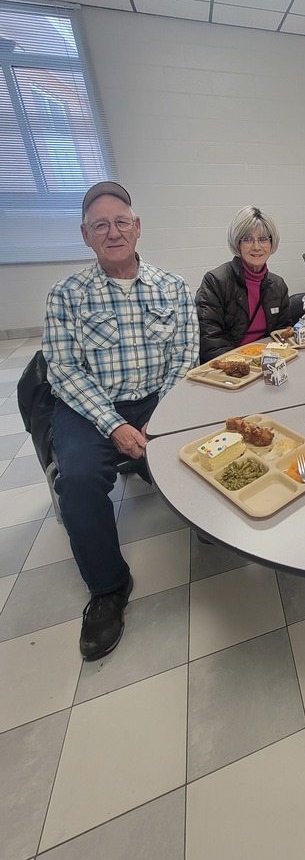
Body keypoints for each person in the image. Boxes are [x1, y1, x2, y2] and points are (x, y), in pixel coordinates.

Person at [42, 181, 199, 661]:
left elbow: (186, 356)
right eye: (100, 226)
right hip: (90, 408)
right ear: (86, 236)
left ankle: (211, 524)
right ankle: (109, 588)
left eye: (121, 222)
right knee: (81, 479)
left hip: (157, 399)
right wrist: (114, 425)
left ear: (137, 227)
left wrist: (158, 419)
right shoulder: (65, 296)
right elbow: (64, 370)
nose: (113, 232)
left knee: (207, 446)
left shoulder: (172, 286)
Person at [196, 207, 291, 362]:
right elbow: (210, 343)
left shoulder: (278, 285)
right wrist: (245, 365)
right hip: (233, 368)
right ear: (237, 243)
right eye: (247, 239)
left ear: (271, 243)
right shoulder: (215, 282)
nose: (256, 247)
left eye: (263, 239)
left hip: (269, 363)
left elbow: (282, 336)